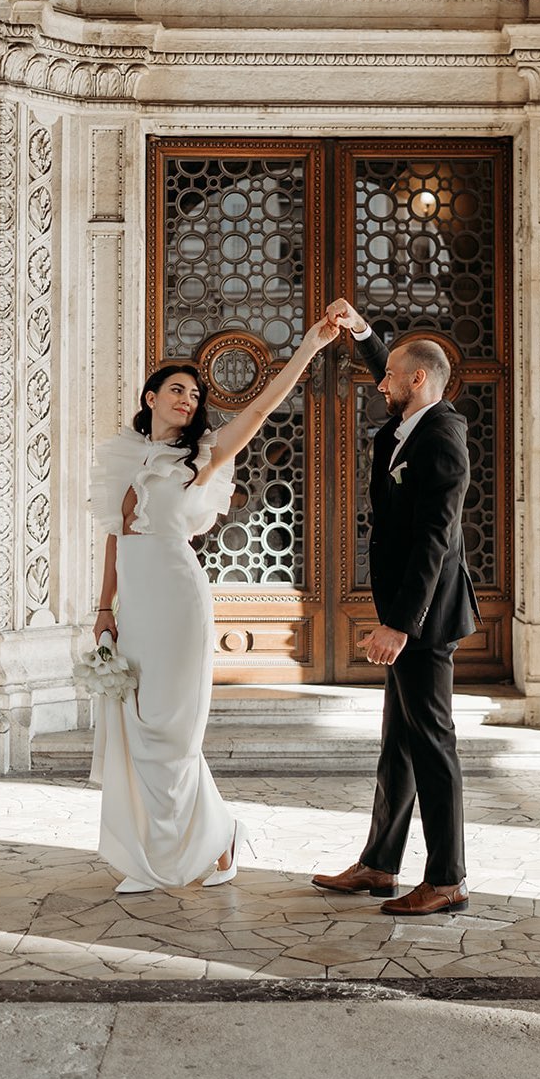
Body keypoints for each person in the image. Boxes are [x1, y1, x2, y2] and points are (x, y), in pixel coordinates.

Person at [89, 318, 338, 895]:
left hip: (179, 599)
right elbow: (115, 536)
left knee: (171, 732)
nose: (188, 398)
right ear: (151, 397)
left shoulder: (203, 454)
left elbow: (259, 410)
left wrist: (310, 346)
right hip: (137, 603)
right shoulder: (124, 456)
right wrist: (104, 610)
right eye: (177, 389)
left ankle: (206, 843)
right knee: (139, 725)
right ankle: (178, 846)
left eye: (195, 393)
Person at [313, 298, 478, 916]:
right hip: (410, 616)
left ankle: (447, 878)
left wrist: (399, 626)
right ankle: (380, 865)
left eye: (388, 376)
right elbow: (391, 364)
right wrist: (362, 333)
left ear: (418, 382)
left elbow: (436, 539)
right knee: (399, 745)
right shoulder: (411, 420)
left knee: (432, 743)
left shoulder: (441, 437)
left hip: (426, 620)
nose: (377, 382)